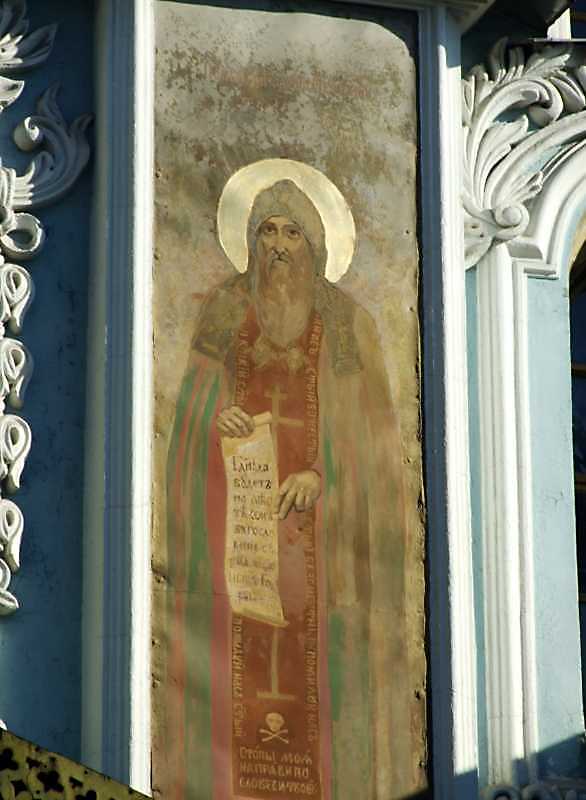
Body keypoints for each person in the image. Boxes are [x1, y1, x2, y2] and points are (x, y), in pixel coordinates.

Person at [160, 179, 411, 800]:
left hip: (321, 560)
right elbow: (187, 419)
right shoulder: (225, 312)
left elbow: (374, 445)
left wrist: (321, 475)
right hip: (240, 547)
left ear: (316, 247)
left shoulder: (348, 327)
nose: (278, 246)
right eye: (267, 231)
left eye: (292, 233)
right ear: (249, 242)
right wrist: (218, 418)